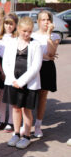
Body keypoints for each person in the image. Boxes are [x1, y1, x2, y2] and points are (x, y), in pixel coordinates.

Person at [3, 17, 43, 149]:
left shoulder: (35, 45)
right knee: (15, 108)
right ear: (18, 29)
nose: (27, 34)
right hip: (13, 81)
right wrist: (13, 79)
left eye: (30, 31)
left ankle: (26, 136)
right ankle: (16, 133)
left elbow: (36, 66)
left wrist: (22, 81)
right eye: (24, 31)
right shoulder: (11, 42)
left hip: (28, 82)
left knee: (26, 110)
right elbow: (6, 62)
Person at [31, 10, 60, 138]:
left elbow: (52, 53)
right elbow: (31, 53)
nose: (46, 22)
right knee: (30, 95)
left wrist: (48, 34)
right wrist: (42, 55)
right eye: (43, 19)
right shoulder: (32, 35)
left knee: (42, 96)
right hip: (34, 67)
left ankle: (38, 125)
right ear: (38, 21)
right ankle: (26, 124)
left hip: (47, 67)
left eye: (48, 19)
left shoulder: (55, 36)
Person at [0, 13, 18, 132]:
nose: (8, 26)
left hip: (13, 66)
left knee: (11, 96)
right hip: (1, 66)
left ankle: (11, 122)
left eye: (11, 24)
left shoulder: (17, 37)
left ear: (15, 25)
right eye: (6, 23)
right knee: (2, 95)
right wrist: (1, 71)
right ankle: (2, 119)